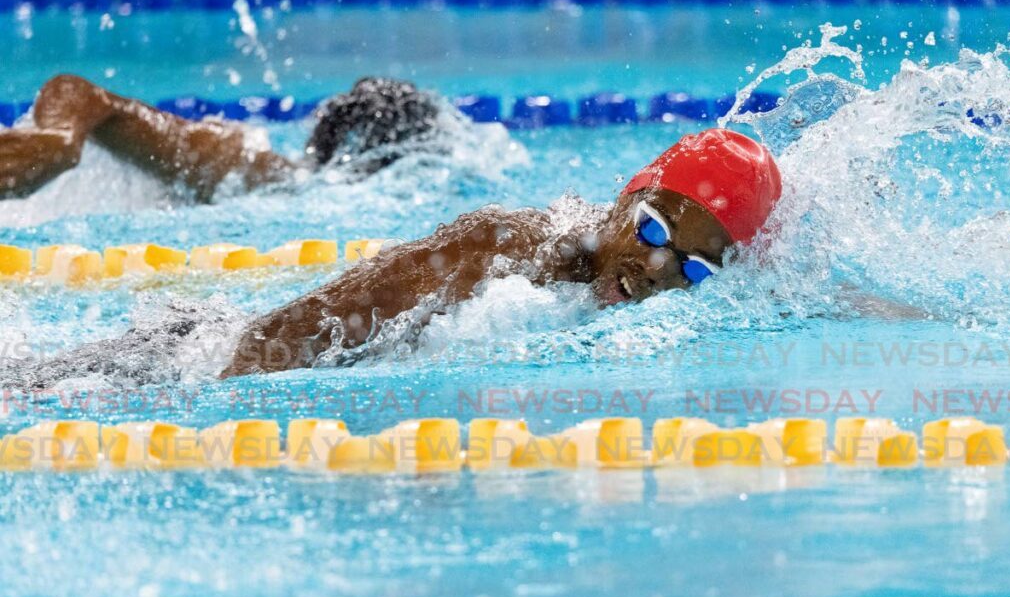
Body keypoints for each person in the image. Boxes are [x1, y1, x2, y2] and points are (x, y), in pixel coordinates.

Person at [221, 128, 782, 376]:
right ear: (625, 198)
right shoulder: (504, 250)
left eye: (696, 268)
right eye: (653, 231)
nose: (658, 267)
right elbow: (282, 340)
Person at [0, 74, 441, 201]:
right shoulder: (249, 163)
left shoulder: (245, 162)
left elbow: (78, 91)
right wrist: (55, 140)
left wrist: (56, 136)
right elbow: (77, 92)